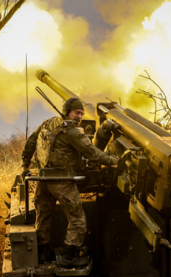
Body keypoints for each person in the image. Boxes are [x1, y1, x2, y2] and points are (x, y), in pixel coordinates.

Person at [21, 97, 117, 268]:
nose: (79, 117)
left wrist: (25, 165)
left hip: (43, 179)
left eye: (81, 113)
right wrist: (112, 161)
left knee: (43, 215)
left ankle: (43, 251)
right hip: (62, 181)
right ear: (67, 111)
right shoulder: (72, 132)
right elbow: (92, 152)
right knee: (78, 220)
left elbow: (31, 142)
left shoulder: (47, 123)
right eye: (77, 112)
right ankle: (69, 256)